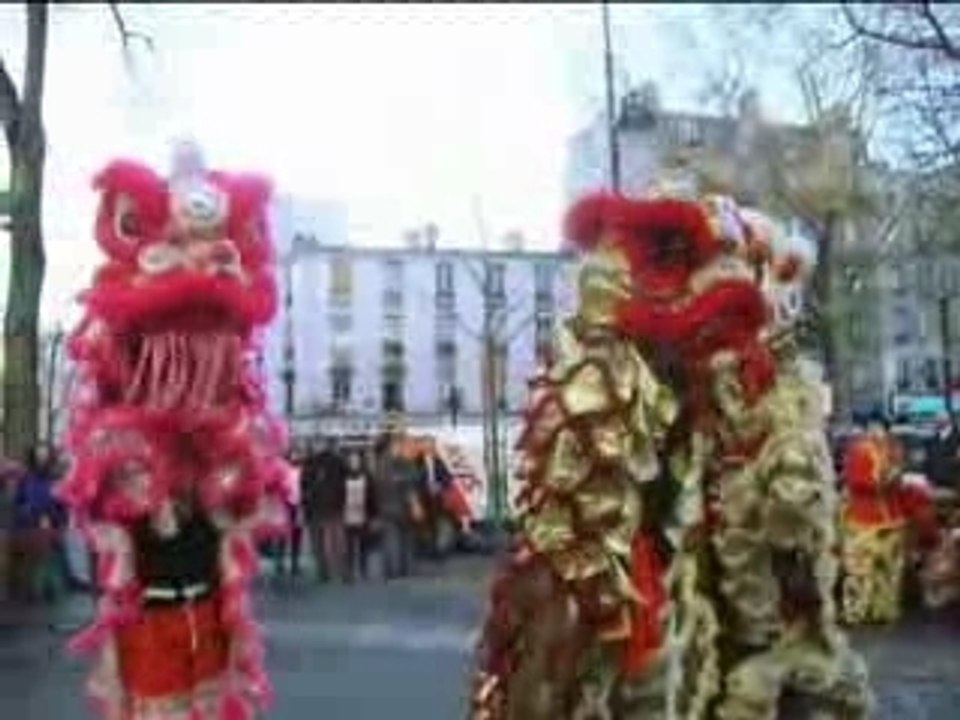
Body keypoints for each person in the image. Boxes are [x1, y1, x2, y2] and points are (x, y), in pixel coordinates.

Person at [56, 144, 294, 718]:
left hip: (208, 616)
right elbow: (102, 508)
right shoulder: (120, 454)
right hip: (155, 621)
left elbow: (254, 502)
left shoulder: (227, 454)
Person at [840, 414, 940, 624]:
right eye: (872, 427)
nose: (876, 431)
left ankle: (883, 609)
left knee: (888, 569)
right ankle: (858, 611)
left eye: (880, 427)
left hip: (888, 518)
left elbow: (895, 477)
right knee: (860, 570)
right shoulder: (858, 451)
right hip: (864, 518)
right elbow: (858, 481)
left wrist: (892, 477)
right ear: (867, 428)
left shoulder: (891, 448)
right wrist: (886, 479)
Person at [302, 438, 348, 582]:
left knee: (319, 544)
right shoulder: (339, 462)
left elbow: (304, 488)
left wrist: (306, 509)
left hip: (316, 509)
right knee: (338, 542)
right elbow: (345, 484)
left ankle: (323, 573)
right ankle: (343, 573)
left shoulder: (309, 463)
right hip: (335, 508)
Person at [375, 436, 419, 580]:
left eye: (401, 446)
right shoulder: (384, 463)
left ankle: (402, 569)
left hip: (400, 508)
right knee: (392, 541)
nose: (400, 449)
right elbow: (389, 481)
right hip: (391, 508)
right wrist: (403, 479)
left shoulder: (402, 462)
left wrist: (402, 480)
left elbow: (414, 478)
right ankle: (392, 571)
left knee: (403, 540)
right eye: (398, 446)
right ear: (392, 447)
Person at [343, 450, 376, 582]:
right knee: (349, 545)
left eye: (356, 460)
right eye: (352, 460)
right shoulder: (344, 475)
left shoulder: (367, 475)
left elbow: (373, 496)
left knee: (363, 545)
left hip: (364, 513)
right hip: (347, 513)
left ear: (360, 461)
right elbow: (339, 494)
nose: (354, 462)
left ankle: (363, 569)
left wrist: (374, 514)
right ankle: (350, 571)